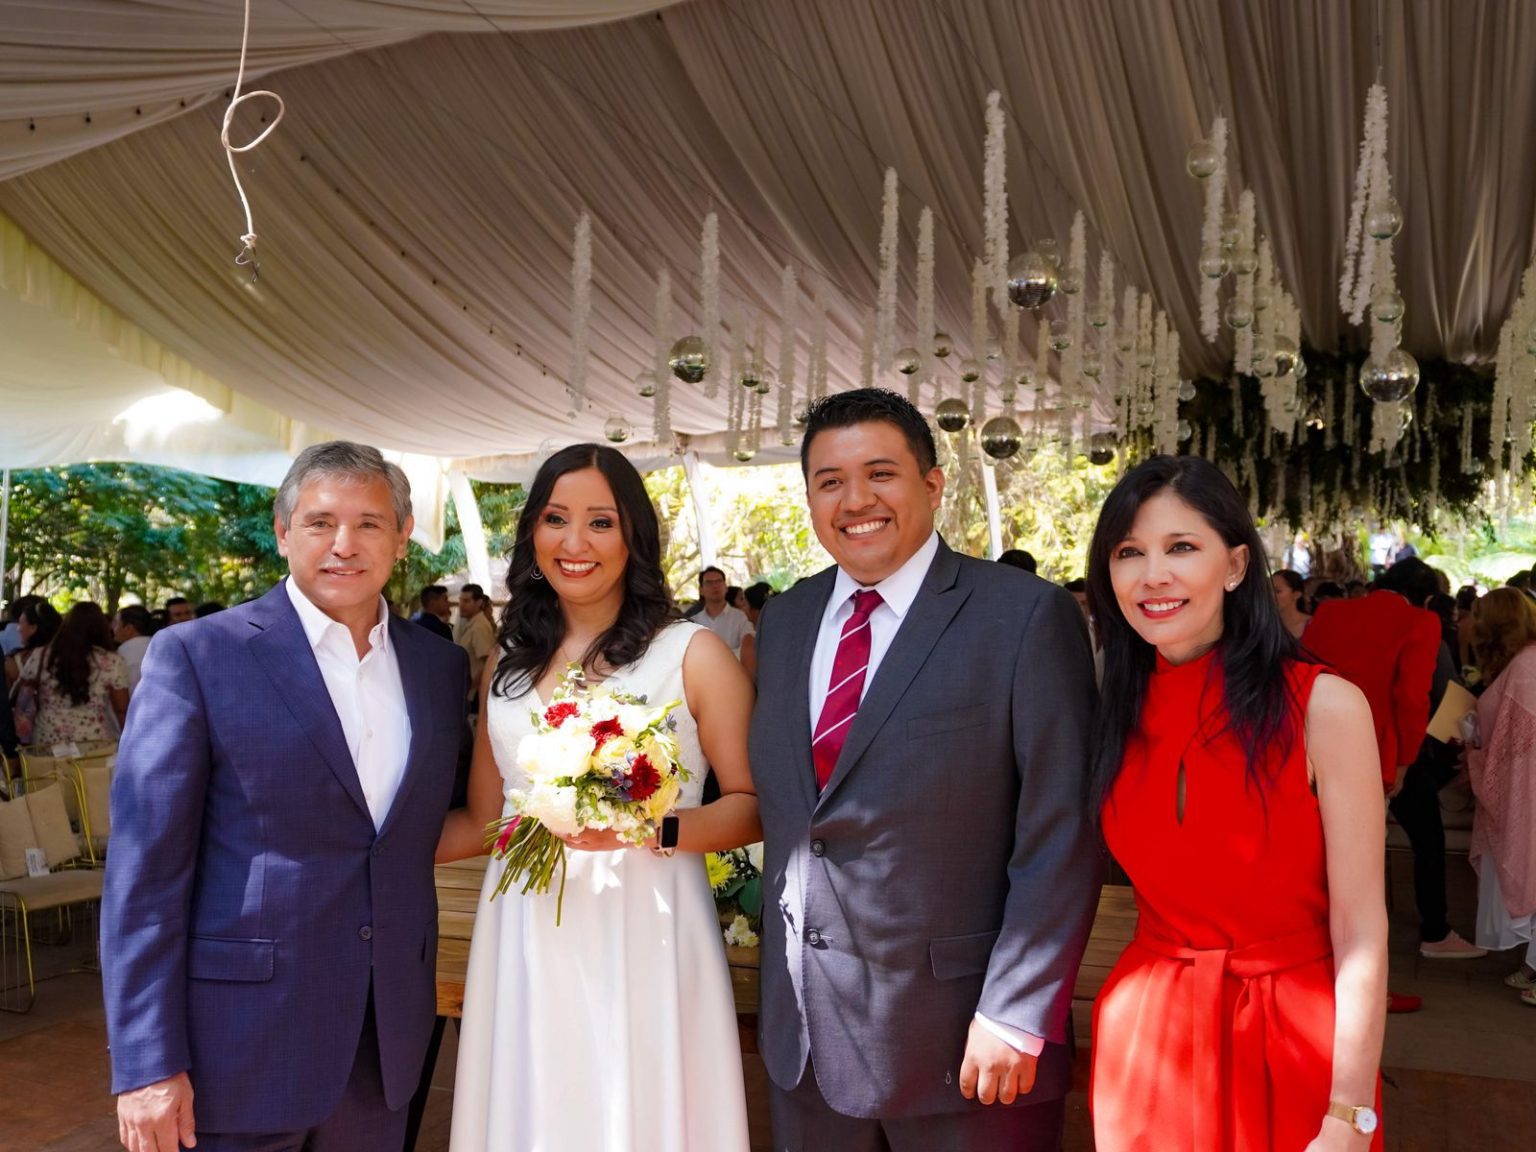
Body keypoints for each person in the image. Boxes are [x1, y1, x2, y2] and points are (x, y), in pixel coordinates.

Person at [749, 388, 1099, 1150]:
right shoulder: (784, 621)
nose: (856, 501)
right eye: (830, 481)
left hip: (969, 1049)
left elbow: (1061, 828)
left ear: (933, 485)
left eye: (881, 474)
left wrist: (1016, 1010)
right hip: (806, 1043)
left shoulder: (1023, 616)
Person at [102, 441, 469, 1152]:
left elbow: (410, 830)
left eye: (369, 523)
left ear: (402, 535)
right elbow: (144, 875)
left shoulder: (438, 666)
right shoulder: (199, 655)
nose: (344, 544)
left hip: (382, 1045)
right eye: (320, 522)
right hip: (238, 1045)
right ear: (282, 532)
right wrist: (147, 1062)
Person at [442, 443, 761, 1152]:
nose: (575, 542)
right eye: (556, 519)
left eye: (601, 522)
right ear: (532, 532)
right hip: (523, 925)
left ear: (633, 537)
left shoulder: (692, 654)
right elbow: (488, 819)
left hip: (647, 918)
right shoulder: (507, 662)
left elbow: (751, 804)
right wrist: (355, 846)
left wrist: (651, 828)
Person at [1086, 455, 1387, 1150]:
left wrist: (1349, 1112)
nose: (1153, 574)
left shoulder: (1324, 707)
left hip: (1295, 1039)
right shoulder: (1111, 712)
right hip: (1148, 1041)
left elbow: (1361, 928)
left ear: (1235, 565)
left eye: (1181, 547)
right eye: (1129, 552)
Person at [1307, 557, 1486, 961]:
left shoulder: (1330, 611)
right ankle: (1435, 933)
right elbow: (1411, 698)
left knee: (1322, 842)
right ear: (1427, 597)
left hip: (1315, 741)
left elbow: (1303, 672)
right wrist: (1404, 763)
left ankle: (1317, 930)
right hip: (1382, 750)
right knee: (1427, 839)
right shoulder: (1420, 622)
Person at [1466, 588, 1536, 1005]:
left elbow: (1516, 743)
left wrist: (1476, 747)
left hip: (1526, 786)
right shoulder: (1523, 661)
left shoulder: (1525, 666)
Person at [15, 601, 128, 747]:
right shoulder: (113, 661)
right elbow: (121, 709)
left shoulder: (41, 655)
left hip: (47, 739)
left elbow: (23, 696)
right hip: (94, 741)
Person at [692, 565, 754, 658]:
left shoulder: (740, 617)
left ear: (726, 587)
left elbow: (748, 649)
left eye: (719, 581)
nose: (715, 586)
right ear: (701, 590)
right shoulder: (694, 622)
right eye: (709, 583)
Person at [455, 583, 497, 708]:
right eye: (461, 600)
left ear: (479, 603)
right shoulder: (470, 623)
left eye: (466, 601)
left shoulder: (479, 626)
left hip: (474, 694)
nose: (462, 605)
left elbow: (487, 663)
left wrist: (469, 687)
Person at [4, 599, 60, 692]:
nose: (18, 629)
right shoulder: (68, 657)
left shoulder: (12, 663)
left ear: (33, 628)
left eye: (21, 623)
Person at [110, 604, 156, 694]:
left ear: (129, 629)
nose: (112, 627)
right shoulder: (161, 648)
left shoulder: (120, 657)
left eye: (116, 623)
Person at [1272, 567, 1311, 639]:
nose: (1271, 595)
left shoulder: (1312, 624)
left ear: (1296, 594)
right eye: (1268, 590)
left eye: (1277, 591)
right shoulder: (1264, 624)